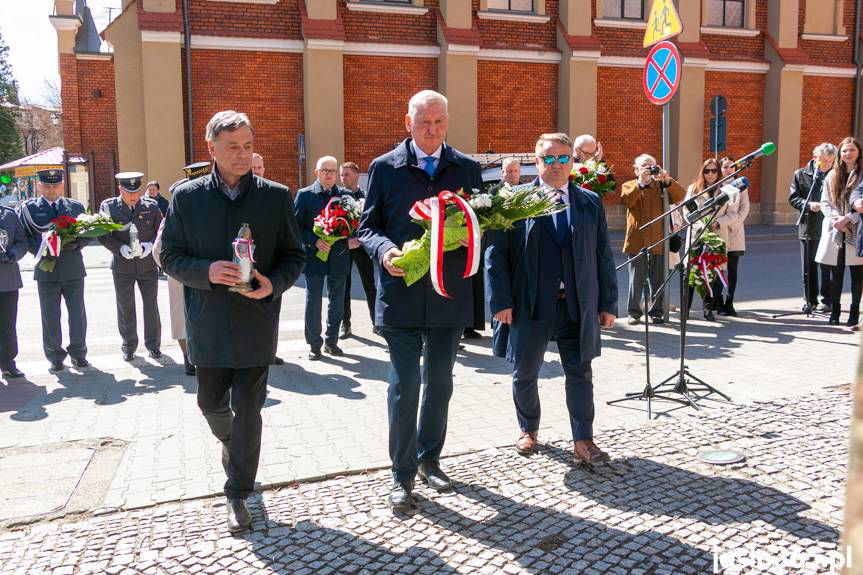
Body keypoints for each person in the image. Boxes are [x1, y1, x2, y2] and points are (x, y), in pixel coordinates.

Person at [160, 110, 305, 532]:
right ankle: (233, 444)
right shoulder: (186, 197)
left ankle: (238, 492)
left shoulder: (275, 196)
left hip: (256, 322)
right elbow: (169, 255)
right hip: (206, 322)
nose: (242, 155)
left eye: (247, 146)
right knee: (210, 404)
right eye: (232, 147)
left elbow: (295, 255)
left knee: (249, 410)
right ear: (211, 149)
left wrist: (272, 283)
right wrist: (204, 271)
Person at [359, 89, 483, 511]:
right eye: (424, 122)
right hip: (401, 296)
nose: (432, 130)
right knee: (405, 384)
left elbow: (481, 226)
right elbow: (367, 226)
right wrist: (384, 251)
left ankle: (431, 458)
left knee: (441, 383)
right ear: (407, 123)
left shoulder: (465, 168)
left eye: (439, 122)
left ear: (447, 122)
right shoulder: (384, 168)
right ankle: (402, 473)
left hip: (448, 295)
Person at [486, 132, 618, 463]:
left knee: (580, 373)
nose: (556, 164)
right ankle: (528, 429)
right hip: (531, 304)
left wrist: (608, 303)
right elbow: (495, 255)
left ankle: (583, 440)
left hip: (577, 305)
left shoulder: (589, 202)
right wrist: (500, 301)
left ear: (572, 162)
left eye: (563, 158)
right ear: (536, 161)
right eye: (549, 158)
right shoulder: (514, 201)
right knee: (525, 372)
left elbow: (603, 254)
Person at [17, 169, 91, 373]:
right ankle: (55, 356)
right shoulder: (28, 209)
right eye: (47, 186)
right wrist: (44, 249)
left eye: (55, 186)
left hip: (73, 268)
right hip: (46, 269)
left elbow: (89, 233)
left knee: (77, 314)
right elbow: (24, 237)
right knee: (50, 316)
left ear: (62, 185)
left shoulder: (75, 207)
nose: (51, 190)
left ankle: (78, 353)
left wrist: (76, 244)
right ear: (39, 186)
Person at [152, 162, 210, 376]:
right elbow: (158, 251)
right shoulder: (174, 216)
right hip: (181, 276)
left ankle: (208, 356)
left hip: (209, 274)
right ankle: (188, 358)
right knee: (181, 317)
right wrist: (176, 269)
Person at [99, 172, 163, 361]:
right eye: (128, 192)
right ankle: (128, 345)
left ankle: (153, 344)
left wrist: (150, 246)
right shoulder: (109, 207)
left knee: (151, 305)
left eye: (136, 192)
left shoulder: (151, 206)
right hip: (122, 265)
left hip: (146, 264)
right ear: (120, 189)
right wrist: (120, 248)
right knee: (125, 306)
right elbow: (103, 235)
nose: (133, 196)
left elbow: (161, 230)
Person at [294, 156, 351, 359]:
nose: (329, 174)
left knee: (337, 301)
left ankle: (331, 341)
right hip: (314, 256)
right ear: (316, 172)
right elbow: (295, 227)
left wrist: (349, 236)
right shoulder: (305, 195)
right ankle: (314, 344)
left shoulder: (345, 196)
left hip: (339, 256)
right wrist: (314, 240)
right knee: (314, 301)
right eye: (325, 170)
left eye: (332, 171)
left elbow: (352, 223)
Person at [620, 154, 686, 325]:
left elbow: (680, 196)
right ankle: (634, 313)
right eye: (644, 166)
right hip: (637, 240)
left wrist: (667, 180)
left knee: (658, 278)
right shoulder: (629, 185)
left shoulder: (661, 186)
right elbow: (628, 200)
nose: (648, 169)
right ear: (636, 169)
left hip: (659, 239)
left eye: (652, 165)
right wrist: (641, 182)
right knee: (637, 279)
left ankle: (656, 312)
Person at [815, 137, 863, 326]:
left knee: (857, 274)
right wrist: (837, 220)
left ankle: (853, 312)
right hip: (836, 229)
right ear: (839, 154)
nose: (848, 154)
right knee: (836, 274)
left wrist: (848, 219)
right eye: (844, 150)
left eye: (851, 150)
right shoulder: (832, 175)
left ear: (858, 152)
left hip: (856, 228)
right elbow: (825, 202)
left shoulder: (862, 174)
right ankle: (834, 311)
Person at [247, 152, 287, 365]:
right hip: (244, 267)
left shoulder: (275, 195)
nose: (257, 171)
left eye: (260, 167)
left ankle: (270, 352)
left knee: (271, 315)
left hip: (269, 268)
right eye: (253, 168)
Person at [790, 143, 837, 313]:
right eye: (822, 160)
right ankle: (810, 301)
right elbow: (793, 198)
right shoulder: (801, 174)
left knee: (828, 266)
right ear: (814, 157)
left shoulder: (836, 176)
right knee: (808, 267)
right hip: (808, 226)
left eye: (829, 161)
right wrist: (808, 204)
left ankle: (828, 300)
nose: (825, 164)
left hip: (829, 228)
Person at [679, 158, 727, 322]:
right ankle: (685, 310)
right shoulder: (694, 189)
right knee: (690, 274)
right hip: (696, 236)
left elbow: (734, 214)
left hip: (715, 237)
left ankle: (708, 309)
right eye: (707, 171)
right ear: (702, 172)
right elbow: (686, 210)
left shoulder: (726, 189)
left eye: (714, 170)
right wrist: (700, 225)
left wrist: (718, 223)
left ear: (718, 172)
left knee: (710, 273)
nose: (711, 174)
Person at [339, 161, 377, 338]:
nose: (343, 178)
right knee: (344, 286)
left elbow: (372, 220)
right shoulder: (338, 197)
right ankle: (345, 324)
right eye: (341, 174)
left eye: (346, 174)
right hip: (345, 247)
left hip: (362, 246)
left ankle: (377, 322)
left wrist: (362, 239)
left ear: (356, 175)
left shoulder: (367, 196)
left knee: (369, 284)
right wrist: (347, 241)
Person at [713, 156, 751, 316]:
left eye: (731, 167)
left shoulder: (741, 186)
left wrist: (733, 224)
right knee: (719, 269)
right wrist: (723, 224)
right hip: (720, 232)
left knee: (733, 270)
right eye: (725, 167)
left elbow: (745, 208)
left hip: (735, 233)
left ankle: (730, 301)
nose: (729, 169)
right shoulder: (717, 186)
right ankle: (718, 301)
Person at [0, 202, 29, 379]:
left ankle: (8, 363)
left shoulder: (9, 214)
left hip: (7, 277)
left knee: (7, 325)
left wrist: (14, 254)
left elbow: (22, 241)